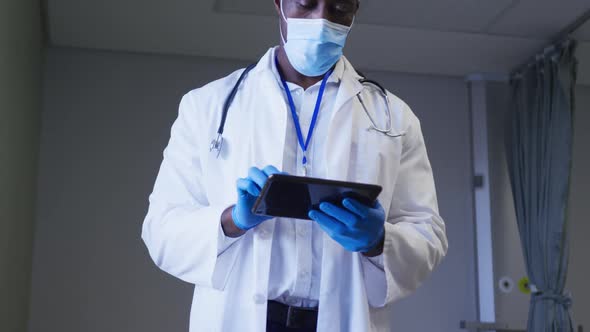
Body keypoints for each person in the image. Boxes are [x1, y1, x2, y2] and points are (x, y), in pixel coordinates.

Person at [141, 0, 448, 331]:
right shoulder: (208, 107)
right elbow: (160, 230)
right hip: (242, 317)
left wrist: (377, 241)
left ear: (355, 10)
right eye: (306, 4)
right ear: (279, 3)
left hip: (343, 318)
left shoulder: (394, 118)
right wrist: (233, 220)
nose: (321, 19)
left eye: (339, 8)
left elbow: (427, 234)